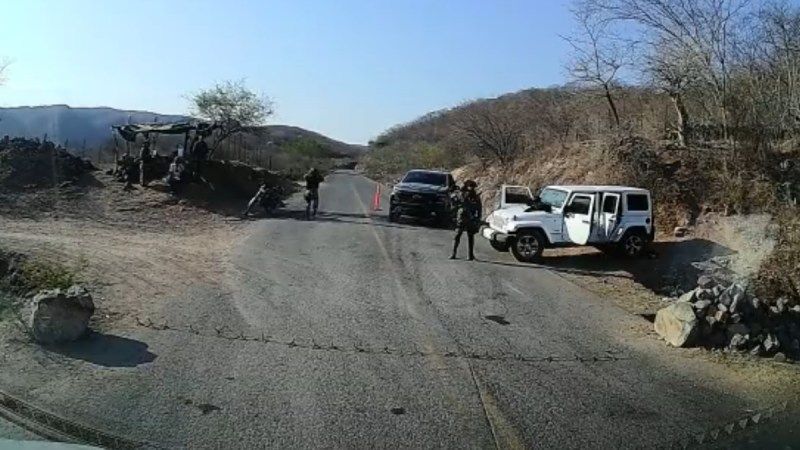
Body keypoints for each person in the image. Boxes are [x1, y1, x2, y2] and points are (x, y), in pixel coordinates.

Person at [450, 179, 482, 261]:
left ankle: (470, 255)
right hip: (462, 217)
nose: (472, 188)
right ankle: (453, 253)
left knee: (470, 237)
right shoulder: (461, 194)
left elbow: (479, 208)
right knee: (457, 235)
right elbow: (454, 204)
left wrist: (478, 219)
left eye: (473, 187)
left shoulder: (475, 197)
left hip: (471, 219)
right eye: (470, 186)